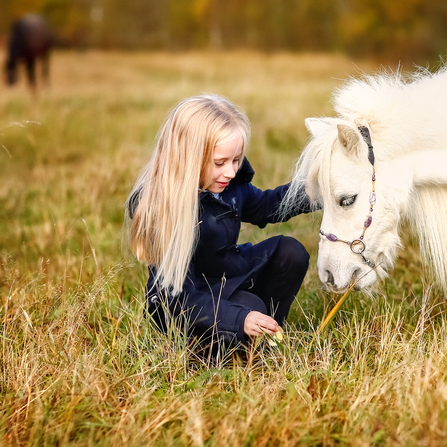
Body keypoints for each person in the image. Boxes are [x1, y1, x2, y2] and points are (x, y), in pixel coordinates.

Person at [126, 94, 316, 360]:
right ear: (188, 158)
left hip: (227, 277)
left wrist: (312, 191)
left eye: (236, 160)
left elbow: (263, 206)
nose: (230, 171)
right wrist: (239, 317)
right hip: (185, 306)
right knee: (249, 307)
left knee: (290, 252)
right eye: (220, 163)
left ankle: (258, 333)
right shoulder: (163, 208)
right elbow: (177, 299)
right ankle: (211, 349)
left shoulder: (229, 185)